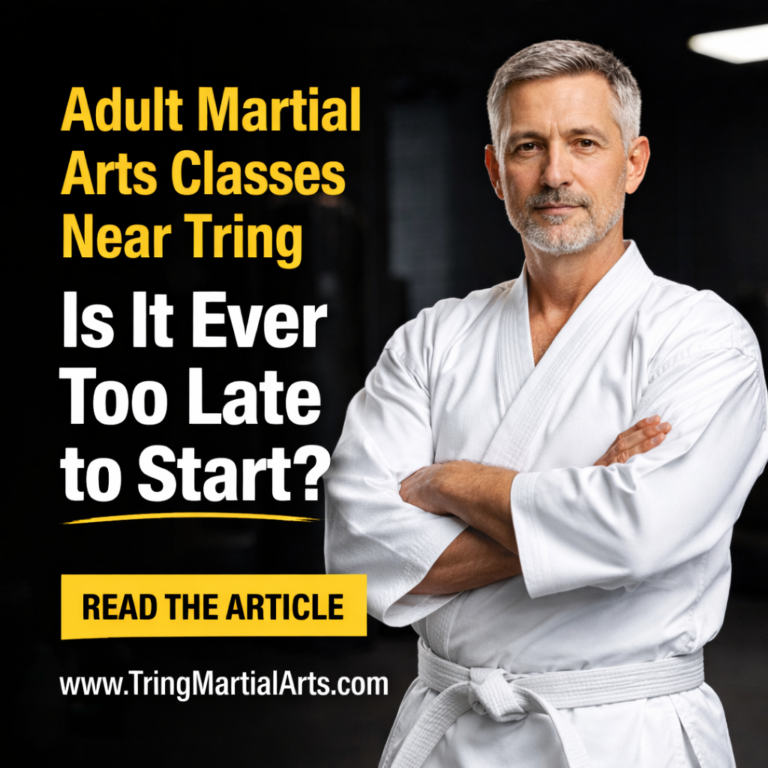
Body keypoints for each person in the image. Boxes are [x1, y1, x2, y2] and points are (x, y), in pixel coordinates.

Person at [324, 39, 768, 768]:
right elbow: (356, 555)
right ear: (497, 173)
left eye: (583, 143)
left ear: (634, 162)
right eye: (528, 146)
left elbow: (637, 531)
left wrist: (450, 484)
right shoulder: (430, 341)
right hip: (450, 733)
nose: (554, 174)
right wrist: (580, 503)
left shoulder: (703, 339)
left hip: (629, 738)